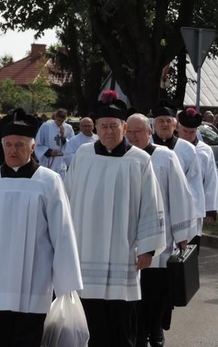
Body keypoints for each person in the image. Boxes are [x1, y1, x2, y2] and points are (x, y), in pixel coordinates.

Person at [0, 108, 82, 347]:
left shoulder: (48, 181)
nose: (13, 150)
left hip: (34, 282)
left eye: (19, 144)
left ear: (32, 146)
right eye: (8, 145)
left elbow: (62, 233)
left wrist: (65, 283)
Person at [65, 93, 165, 347]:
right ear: (95, 128)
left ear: (124, 128)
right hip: (85, 248)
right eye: (103, 127)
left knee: (121, 321)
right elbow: (67, 199)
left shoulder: (140, 161)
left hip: (123, 250)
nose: (108, 131)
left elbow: (150, 205)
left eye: (114, 126)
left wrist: (147, 248)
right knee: (89, 320)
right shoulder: (83, 156)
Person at [126, 113, 196, 347]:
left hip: (160, 240)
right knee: (132, 296)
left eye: (139, 132)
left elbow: (179, 195)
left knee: (157, 293)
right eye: (130, 132)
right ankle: (137, 334)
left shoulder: (165, 157)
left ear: (149, 132)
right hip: (127, 241)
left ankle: (155, 329)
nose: (134, 136)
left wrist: (182, 236)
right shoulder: (121, 157)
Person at [152, 102, 205, 241]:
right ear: (153, 125)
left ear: (175, 125)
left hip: (180, 208)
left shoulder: (187, 149)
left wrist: (194, 213)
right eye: (161, 121)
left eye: (168, 121)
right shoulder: (145, 147)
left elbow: (195, 183)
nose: (165, 124)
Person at [177, 107, 218, 231]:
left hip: (196, 204)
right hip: (174, 204)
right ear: (177, 128)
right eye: (185, 131)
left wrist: (211, 209)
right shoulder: (170, 149)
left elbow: (211, 180)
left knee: (193, 243)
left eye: (192, 132)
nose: (188, 135)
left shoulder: (205, 150)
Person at [35, 108, 75, 176]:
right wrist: (49, 152)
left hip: (61, 161)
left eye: (62, 121)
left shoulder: (68, 128)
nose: (60, 123)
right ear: (55, 117)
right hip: (49, 159)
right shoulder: (46, 126)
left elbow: (71, 145)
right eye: (58, 120)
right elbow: (38, 144)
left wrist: (63, 138)